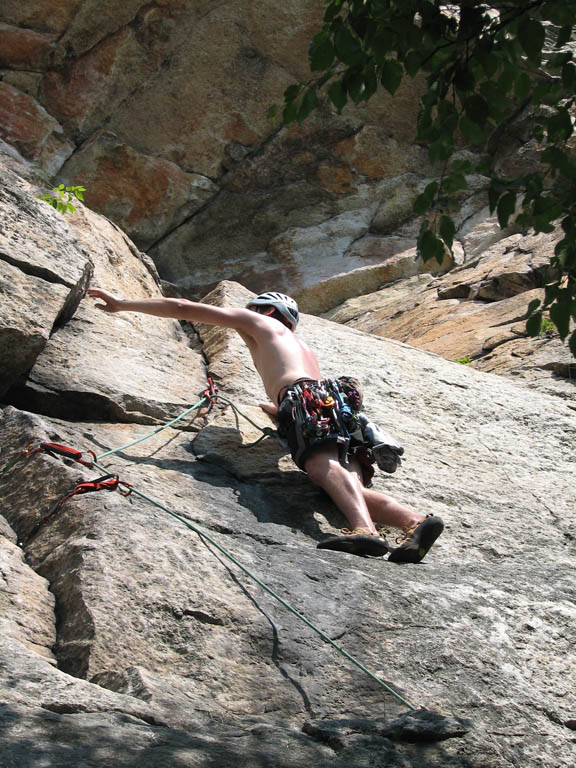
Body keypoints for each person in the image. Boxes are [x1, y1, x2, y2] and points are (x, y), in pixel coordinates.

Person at [87, 288, 443, 562]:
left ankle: (365, 530)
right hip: (332, 403)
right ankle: (412, 521)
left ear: (269, 311)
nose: (242, 318)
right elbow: (305, 388)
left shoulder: (260, 322)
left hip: (303, 398)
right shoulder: (300, 347)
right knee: (342, 482)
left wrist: (123, 304)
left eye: (251, 310)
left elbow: (182, 308)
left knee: (322, 467)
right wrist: (279, 411)